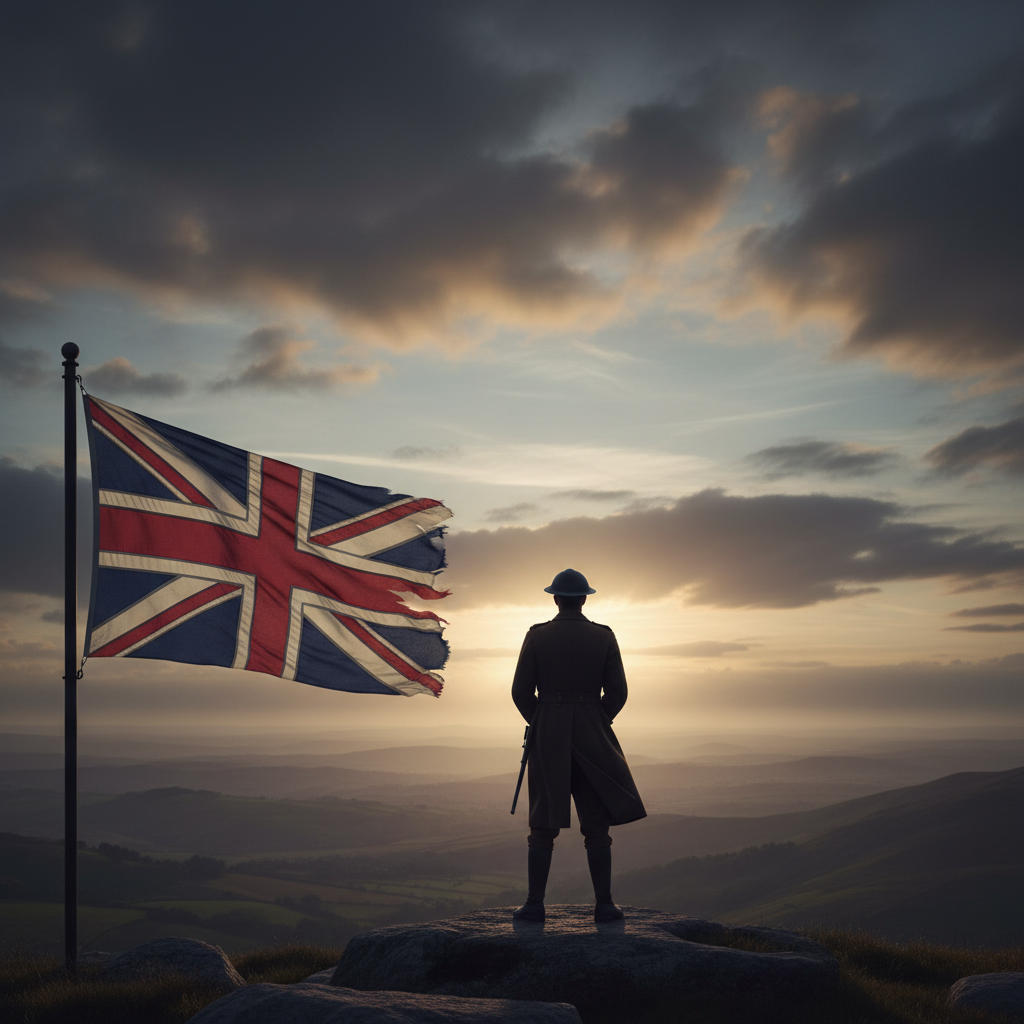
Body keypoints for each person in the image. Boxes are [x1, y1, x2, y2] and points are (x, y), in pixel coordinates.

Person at [510, 568, 647, 922]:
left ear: (555, 598)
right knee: (596, 824)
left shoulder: (537, 636)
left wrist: (541, 721)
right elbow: (618, 692)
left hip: (547, 731)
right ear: (584, 598)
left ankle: (534, 905)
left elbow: (521, 692)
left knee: (542, 824)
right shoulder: (603, 637)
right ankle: (604, 905)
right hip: (593, 731)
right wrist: (596, 718)